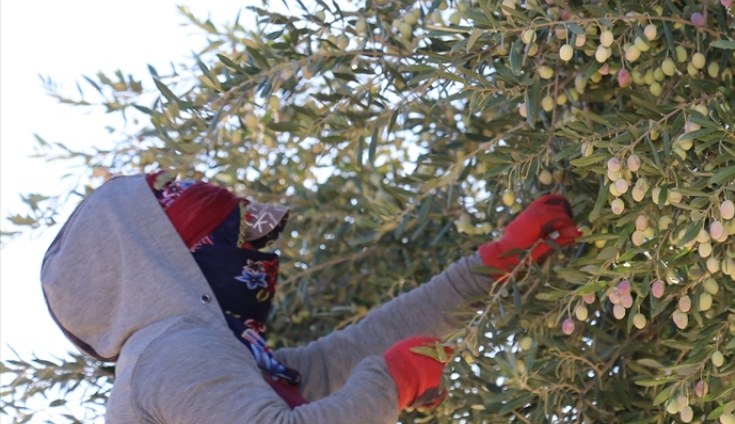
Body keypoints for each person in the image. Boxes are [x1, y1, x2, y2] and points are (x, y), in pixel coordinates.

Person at [40, 171, 581, 422]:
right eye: (233, 241)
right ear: (168, 264)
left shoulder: (213, 359)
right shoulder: (174, 353)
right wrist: (390, 382)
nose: (254, 259)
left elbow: (349, 354)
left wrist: (491, 264)